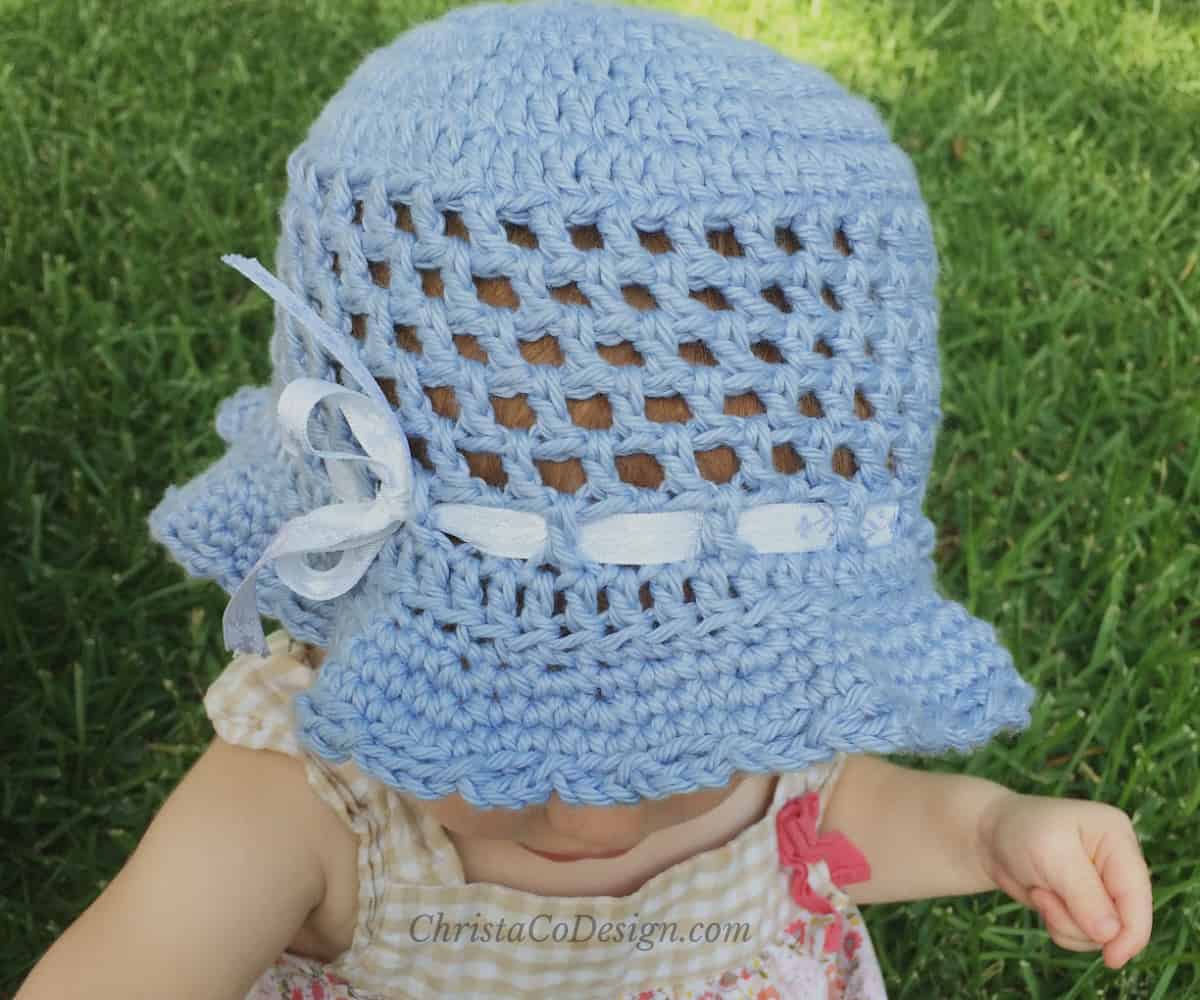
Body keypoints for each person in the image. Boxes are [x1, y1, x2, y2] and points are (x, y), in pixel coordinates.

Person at [16, 2, 1152, 997]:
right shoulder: (305, 809)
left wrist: (998, 828)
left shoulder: (782, 707)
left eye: (679, 724)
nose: (593, 813)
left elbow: (834, 815)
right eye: (499, 711)